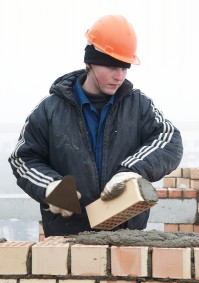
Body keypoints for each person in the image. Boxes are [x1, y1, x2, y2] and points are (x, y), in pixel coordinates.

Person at [8, 15, 183, 237]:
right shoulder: (49, 110)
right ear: (89, 62)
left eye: (125, 67)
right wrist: (50, 187)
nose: (119, 76)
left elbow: (169, 140)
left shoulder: (138, 105)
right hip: (67, 237)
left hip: (126, 236)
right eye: (111, 66)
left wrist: (131, 172)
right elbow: (24, 158)